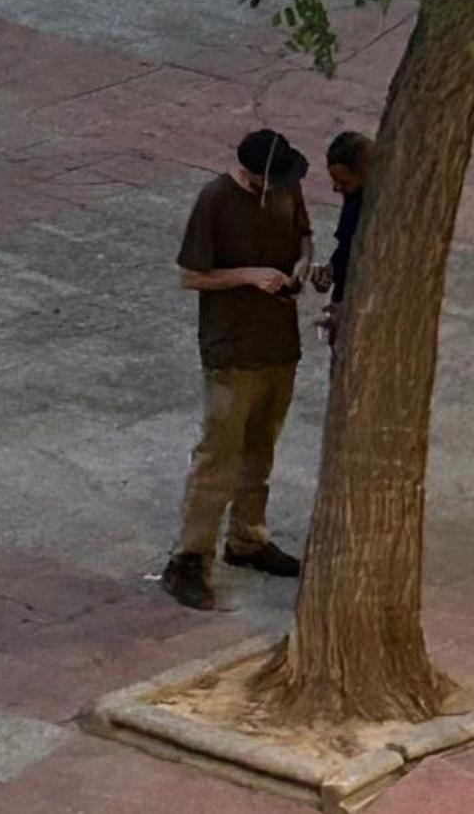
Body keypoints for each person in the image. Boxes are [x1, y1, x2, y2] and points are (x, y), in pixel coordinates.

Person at [160, 129, 311, 611]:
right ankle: (189, 557)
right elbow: (190, 275)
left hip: (279, 342)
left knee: (260, 444)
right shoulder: (216, 201)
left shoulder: (286, 185)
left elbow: (304, 235)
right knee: (218, 455)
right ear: (249, 174)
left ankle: (248, 536)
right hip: (232, 349)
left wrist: (304, 266)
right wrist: (249, 275)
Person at [310, 131, 373, 350]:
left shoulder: (372, 210)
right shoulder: (355, 198)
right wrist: (331, 269)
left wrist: (349, 309)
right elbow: (346, 247)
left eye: (343, 181)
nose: (336, 188)